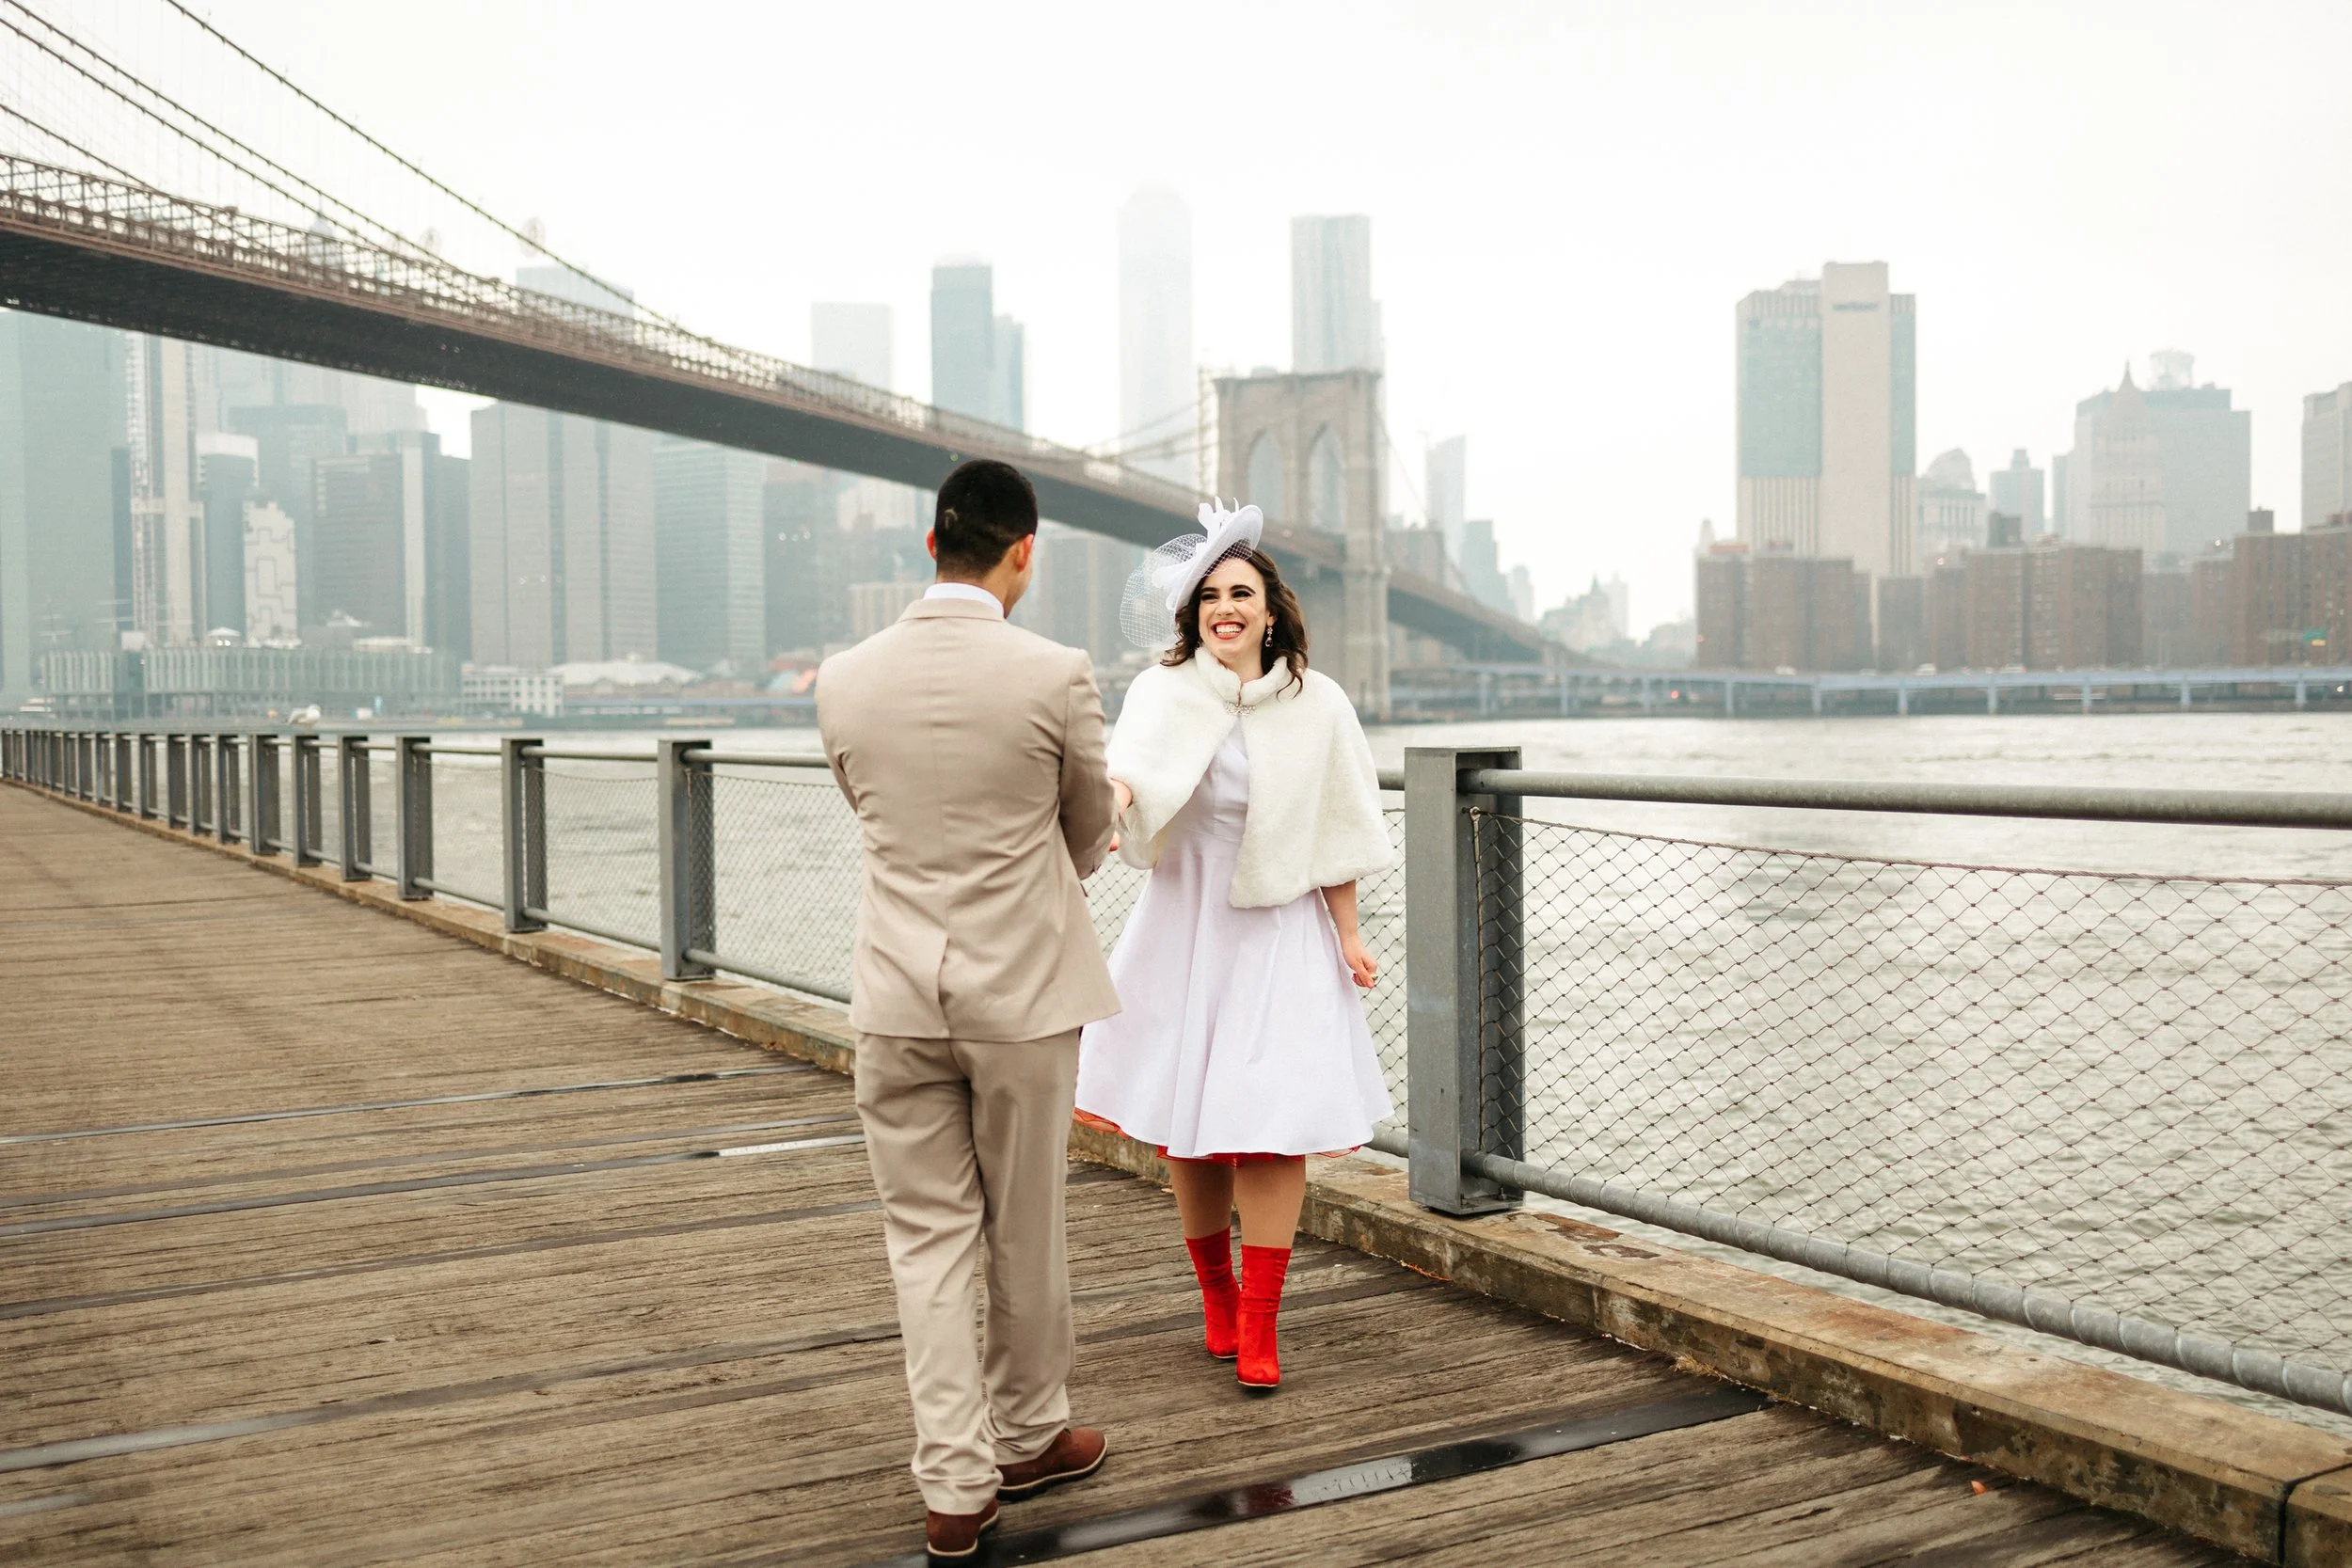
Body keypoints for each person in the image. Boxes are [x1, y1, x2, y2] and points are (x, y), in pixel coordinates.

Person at [818, 459, 1117, 1560]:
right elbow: (1088, 827)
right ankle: (1031, 1433)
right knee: (1023, 1224)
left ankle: (954, 1486)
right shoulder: (1055, 672)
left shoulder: (842, 677)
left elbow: (868, 804)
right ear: (1022, 549)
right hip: (1022, 995)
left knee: (924, 1238)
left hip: (895, 993)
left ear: (926, 542)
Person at [1074, 501, 1395, 1391]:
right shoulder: (1162, 691)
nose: (1226, 608)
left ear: (1270, 606)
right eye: (1210, 595)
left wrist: (1350, 932)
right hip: (1188, 928)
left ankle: (1261, 1323)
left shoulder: (1317, 701)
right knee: (1191, 1130)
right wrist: (1113, 811)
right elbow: (1129, 774)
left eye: (1242, 592)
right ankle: (1216, 1301)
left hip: (1281, 933)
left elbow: (1337, 826)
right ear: (1194, 612)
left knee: (1271, 1128)